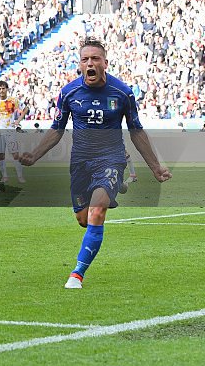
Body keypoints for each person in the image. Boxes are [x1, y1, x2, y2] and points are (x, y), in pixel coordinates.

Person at [19, 38, 171, 289]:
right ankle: (114, 188)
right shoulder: (68, 93)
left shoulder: (122, 93)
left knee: (97, 211)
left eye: (95, 59)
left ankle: (77, 274)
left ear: (105, 63)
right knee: (83, 219)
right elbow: (57, 129)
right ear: (79, 64)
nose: (90, 63)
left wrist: (155, 167)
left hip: (111, 158)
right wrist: (34, 155)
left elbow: (136, 131)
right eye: (85, 59)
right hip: (81, 162)